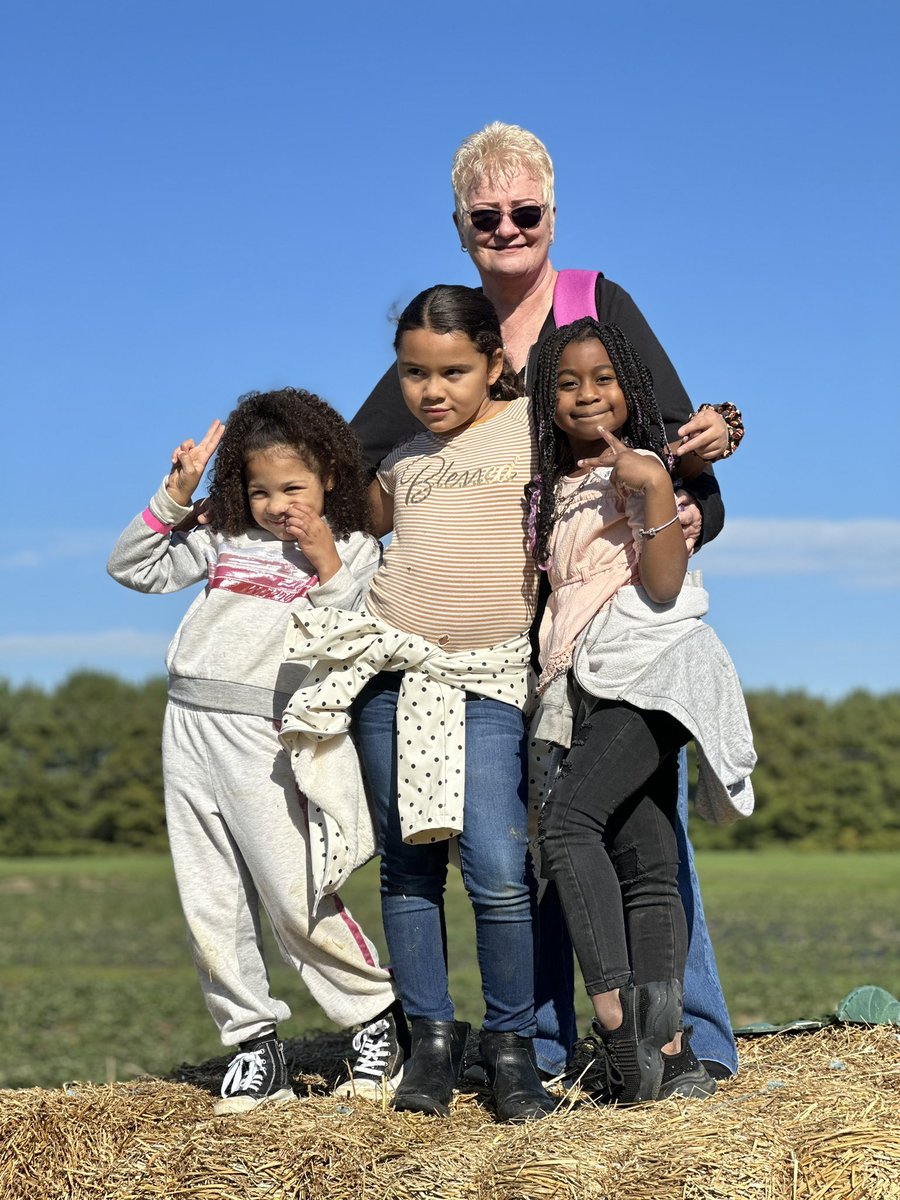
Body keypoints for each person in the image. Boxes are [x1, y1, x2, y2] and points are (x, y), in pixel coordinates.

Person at [350, 121, 741, 1081]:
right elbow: (355, 457)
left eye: (526, 212)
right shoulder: (457, 341)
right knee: (544, 844)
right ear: (459, 225)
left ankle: (689, 1041)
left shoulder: (594, 305)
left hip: (622, 612)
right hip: (517, 639)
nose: (508, 229)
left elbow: (683, 447)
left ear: (553, 216)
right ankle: (569, 1046)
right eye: (488, 216)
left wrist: (697, 483)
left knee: (651, 835)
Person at [277, 286, 555, 1123]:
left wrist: (716, 432)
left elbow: (616, 428)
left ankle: (511, 1051)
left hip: (494, 679)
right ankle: (431, 1043)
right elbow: (324, 525)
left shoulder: (534, 427)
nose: (432, 391)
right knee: (408, 868)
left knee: (501, 872)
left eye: (454, 372)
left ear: (496, 365)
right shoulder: (393, 465)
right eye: (413, 373)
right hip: (393, 678)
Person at [107, 389, 407, 1115]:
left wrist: (326, 559)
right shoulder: (222, 534)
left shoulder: (355, 550)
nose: (277, 504)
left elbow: (343, 634)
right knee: (208, 896)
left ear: (331, 476)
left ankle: (374, 1018)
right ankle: (252, 1045)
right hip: (188, 723)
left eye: (293, 487)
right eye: (261, 489)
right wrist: (175, 495)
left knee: (293, 892)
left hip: (266, 736)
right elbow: (132, 567)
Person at [529, 319, 755, 1103]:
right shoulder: (551, 480)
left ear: (631, 387)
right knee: (647, 853)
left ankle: (618, 1026)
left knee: (566, 824)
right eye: (567, 383)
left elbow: (662, 586)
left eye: (604, 379)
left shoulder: (646, 467)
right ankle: (670, 1057)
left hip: (655, 675)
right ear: (543, 400)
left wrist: (657, 484)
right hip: (594, 680)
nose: (588, 395)